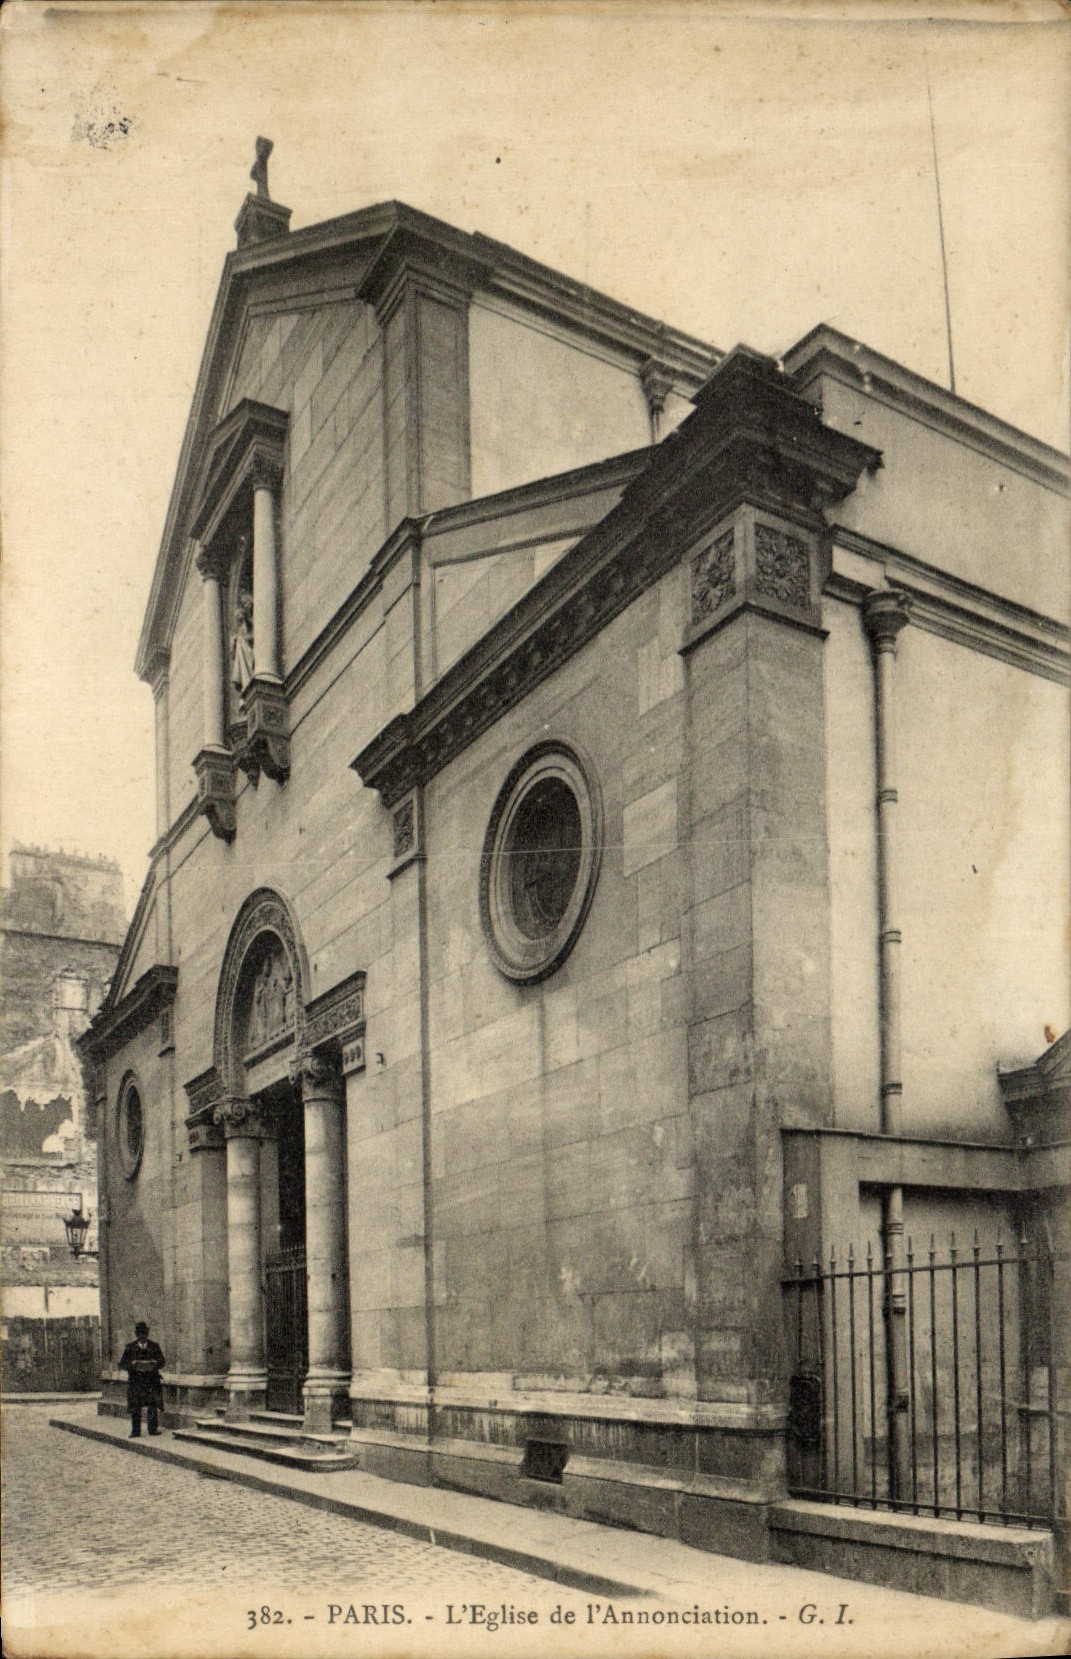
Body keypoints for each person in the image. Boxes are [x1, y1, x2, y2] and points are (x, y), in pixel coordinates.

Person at [118, 1321, 166, 1438]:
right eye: (140, 1334)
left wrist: (155, 1363)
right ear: (136, 1335)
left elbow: (162, 1361)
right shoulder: (130, 1347)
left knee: (152, 1405)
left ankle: (153, 1429)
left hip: (151, 1381)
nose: (142, 1337)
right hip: (136, 1382)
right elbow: (122, 1364)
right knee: (135, 1406)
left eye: (144, 1334)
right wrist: (133, 1364)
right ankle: (135, 1431)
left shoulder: (155, 1346)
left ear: (147, 1334)